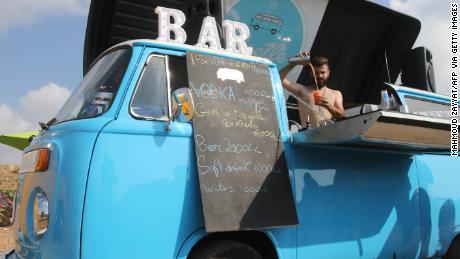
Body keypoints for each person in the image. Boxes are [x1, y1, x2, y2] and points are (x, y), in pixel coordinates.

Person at [279, 51, 345, 128]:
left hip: (328, 136)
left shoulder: (336, 94)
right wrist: (294, 63)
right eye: (316, 73)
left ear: (329, 73)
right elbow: (278, 79)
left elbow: (342, 118)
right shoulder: (302, 90)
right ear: (311, 73)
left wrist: (329, 106)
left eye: (323, 72)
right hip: (308, 137)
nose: (320, 75)